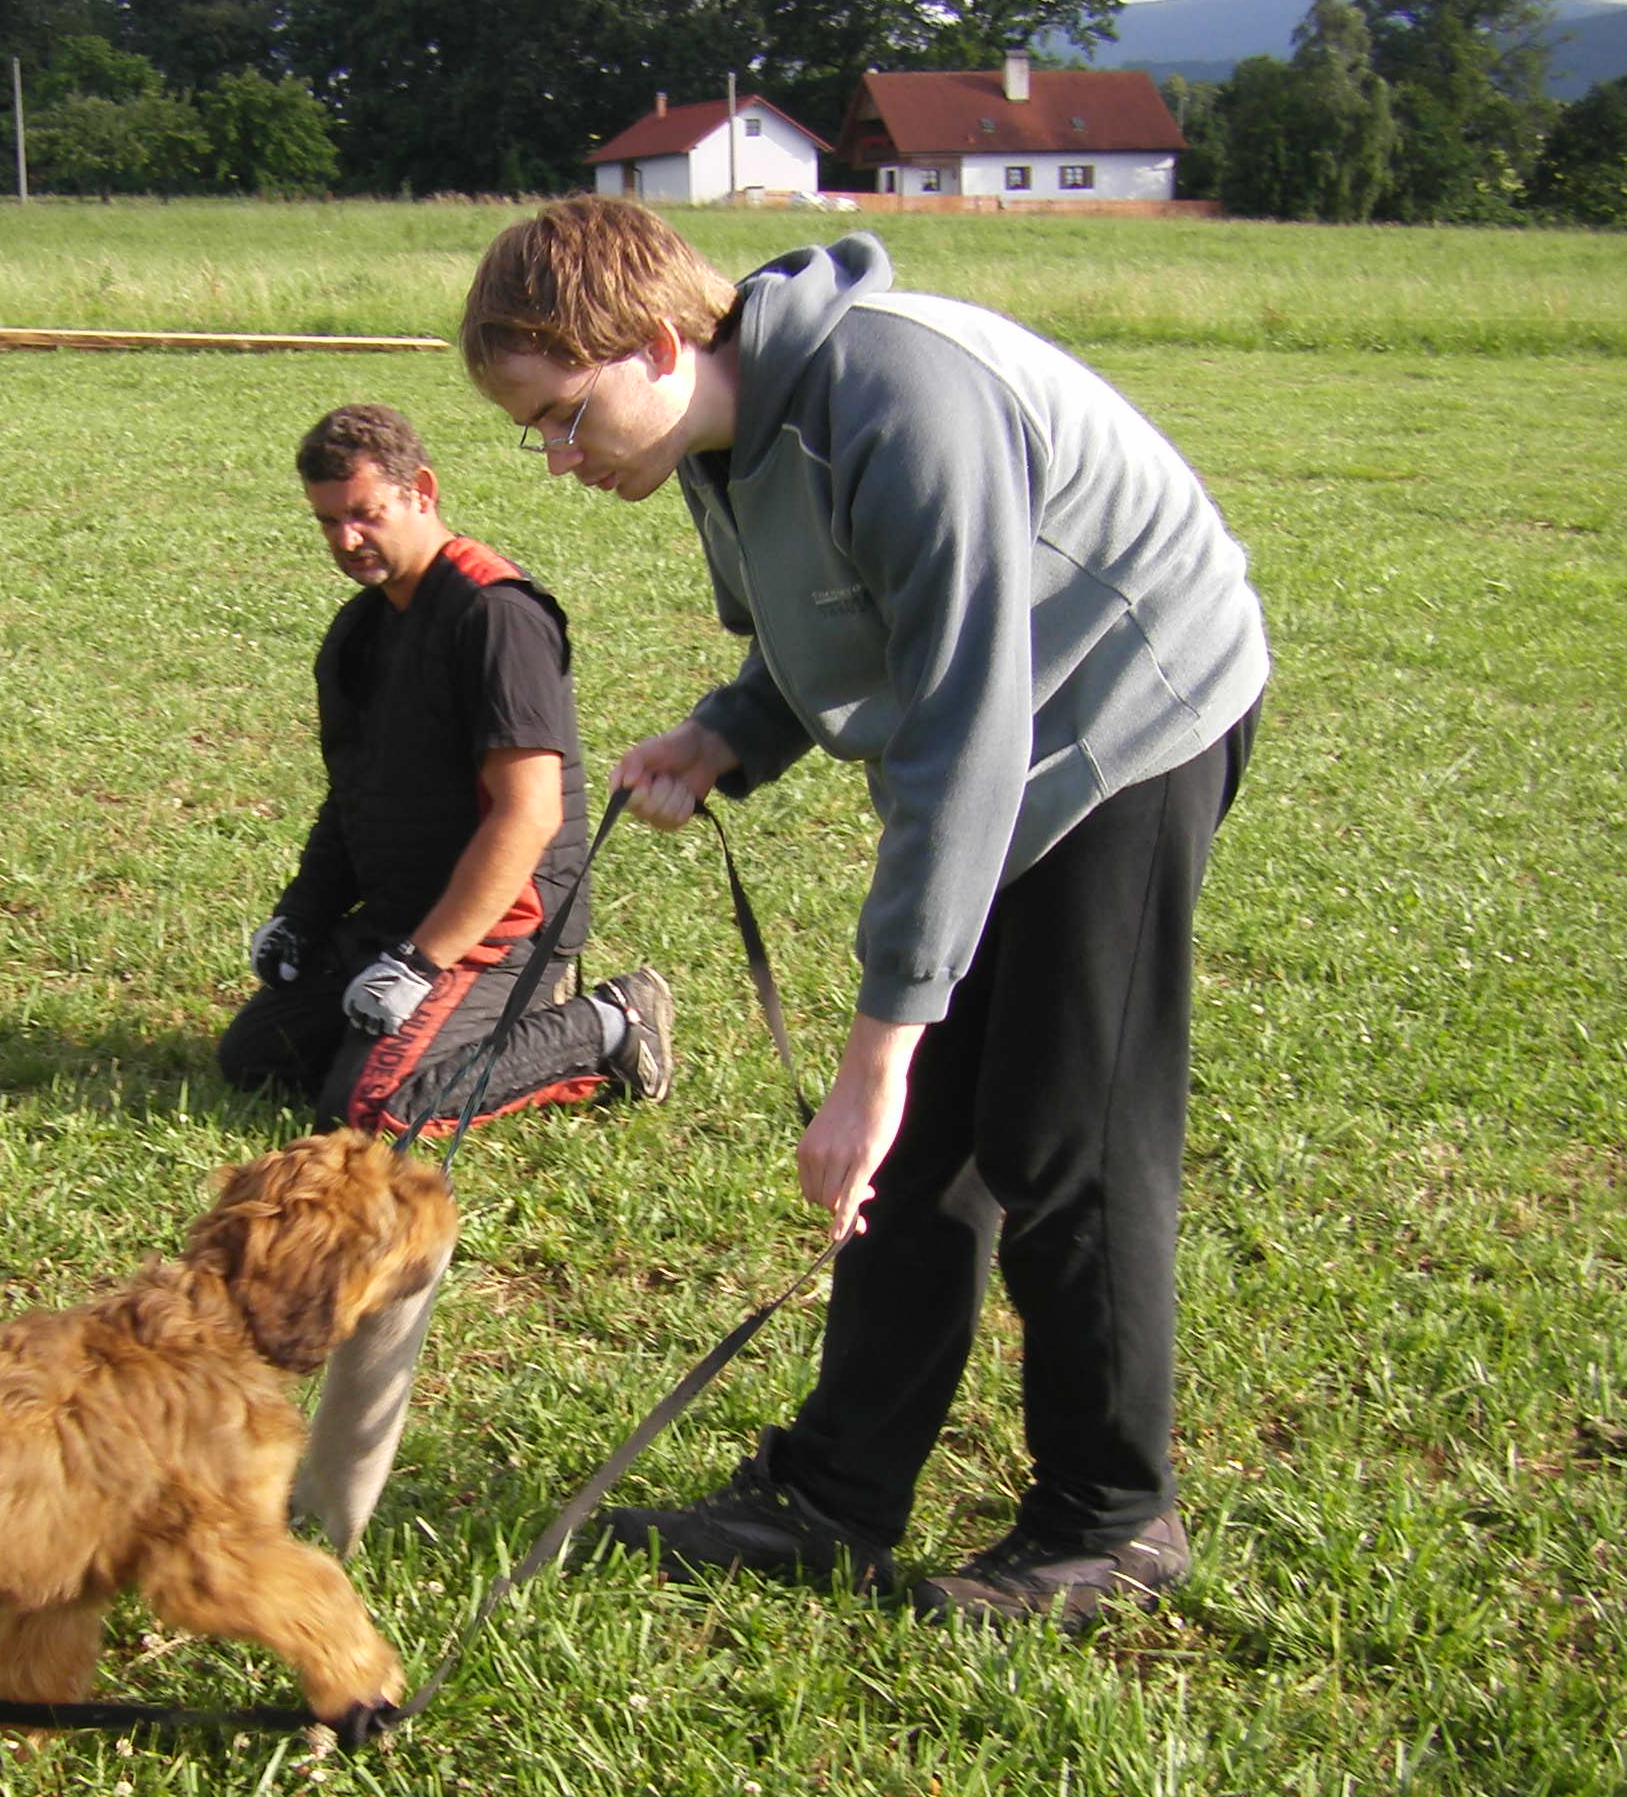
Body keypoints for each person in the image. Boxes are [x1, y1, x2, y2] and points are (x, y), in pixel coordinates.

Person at [459, 199, 1268, 1630]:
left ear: (657, 343)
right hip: (1004, 725)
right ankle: (833, 1496)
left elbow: (967, 730)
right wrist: (729, 733)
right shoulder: (721, 438)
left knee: (1059, 1138)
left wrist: (875, 1056)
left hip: (1130, 712)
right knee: (931, 1155)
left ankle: (1114, 1519)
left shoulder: (896, 408)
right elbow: (833, 626)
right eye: (534, 432)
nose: (557, 457)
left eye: (566, 416)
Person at [218, 402, 673, 1138]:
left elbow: (530, 814)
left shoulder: (495, 617)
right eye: (328, 522)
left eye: (364, 514)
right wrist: (302, 917)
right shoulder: (360, 630)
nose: (346, 539)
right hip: (402, 915)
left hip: (501, 927)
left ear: (420, 490)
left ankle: (606, 1024)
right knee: (254, 1058)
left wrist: (423, 963)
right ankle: (424, 1027)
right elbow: (352, 797)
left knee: (370, 1109)